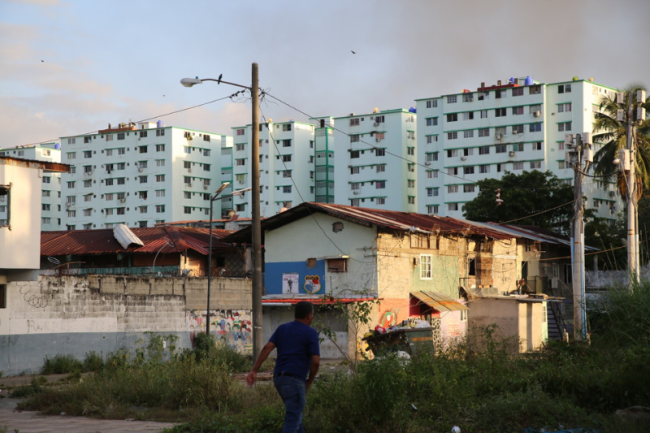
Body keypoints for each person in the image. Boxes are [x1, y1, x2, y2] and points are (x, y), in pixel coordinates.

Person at [246, 301, 320, 433]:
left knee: (296, 416)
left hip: (279, 379)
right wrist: (309, 381)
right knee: (293, 421)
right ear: (309, 316)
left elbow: (267, 348)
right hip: (295, 380)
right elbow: (315, 362)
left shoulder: (282, 328)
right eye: (312, 315)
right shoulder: (311, 333)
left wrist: (254, 370)